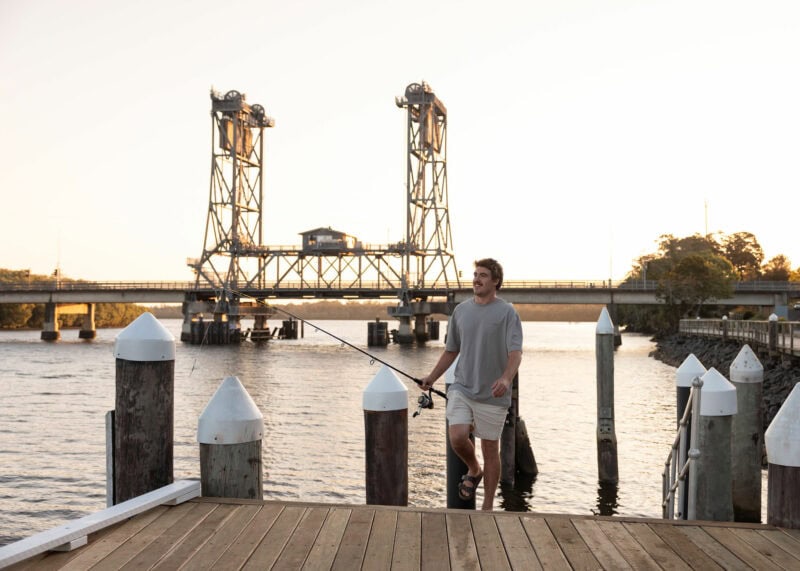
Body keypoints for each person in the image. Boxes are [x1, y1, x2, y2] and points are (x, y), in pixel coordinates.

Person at [419, 258, 523, 510]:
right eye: (475, 274)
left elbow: (515, 352)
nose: (476, 279)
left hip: (492, 394)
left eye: (483, 275)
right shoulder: (461, 311)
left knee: (490, 449)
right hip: (462, 387)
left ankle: (487, 506)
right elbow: (451, 351)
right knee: (456, 436)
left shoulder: (507, 312)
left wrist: (506, 377)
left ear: (496, 281)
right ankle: (473, 469)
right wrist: (431, 378)